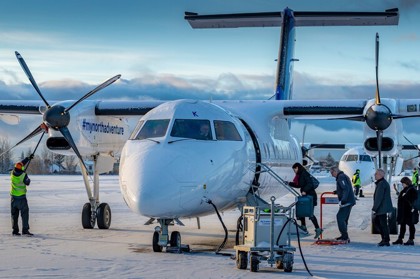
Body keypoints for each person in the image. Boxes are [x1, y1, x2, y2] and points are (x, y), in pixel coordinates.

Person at [288, 162, 323, 239]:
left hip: (310, 196)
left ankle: (318, 229)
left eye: (295, 169)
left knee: (310, 213)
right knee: (302, 211)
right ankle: (303, 226)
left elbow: (310, 184)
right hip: (306, 196)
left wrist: (305, 190)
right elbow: (299, 185)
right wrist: (290, 183)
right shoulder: (300, 175)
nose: (294, 171)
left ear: (298, 168)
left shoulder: (304, 174)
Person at [330, 166, 356, 242]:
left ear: (335, 171)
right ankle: (344, 235)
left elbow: (346, 188)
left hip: (347, 202)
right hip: (349, 201)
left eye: (332, 173)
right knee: (344, 219)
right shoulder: (343, 176)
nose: (332, 175)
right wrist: (337, 191)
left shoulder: (341, 177)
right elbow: (344, 188)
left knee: (340, 217)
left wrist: (343, 200)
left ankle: (344, 236)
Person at [10, 155, 34, 236]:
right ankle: (25, 230)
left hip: (13, 199)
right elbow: (28, 183)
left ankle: (15, 231)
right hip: (22, 199)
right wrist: (27, 177)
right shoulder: (24, 175)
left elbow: (21, 164)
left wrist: (27, 159)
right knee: (24, 214)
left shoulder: (12, 173)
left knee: (14, 215)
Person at [392, 177, 418, 246]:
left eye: (403, 183)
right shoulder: (405, 189)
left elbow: (411, 199)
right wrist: (396, 190)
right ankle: (400, 238)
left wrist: (405, 197)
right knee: (402, 225)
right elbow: (402, 197)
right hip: (403, 211)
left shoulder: (411, 189)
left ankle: (411, 239)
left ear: (406, 183)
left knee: (411, 225)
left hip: (409, 211)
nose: (402, 185)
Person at [372, 169, 394, 246]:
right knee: (381, 223)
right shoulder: (382, 183)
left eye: (376, 174)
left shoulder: (381, 184)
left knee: (381, 223)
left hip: (381, 208)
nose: (375, 175)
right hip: (383, 207)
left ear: (380, 175)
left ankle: (385, 239)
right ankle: (385, 239)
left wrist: (374, 208)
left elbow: (378, 197)